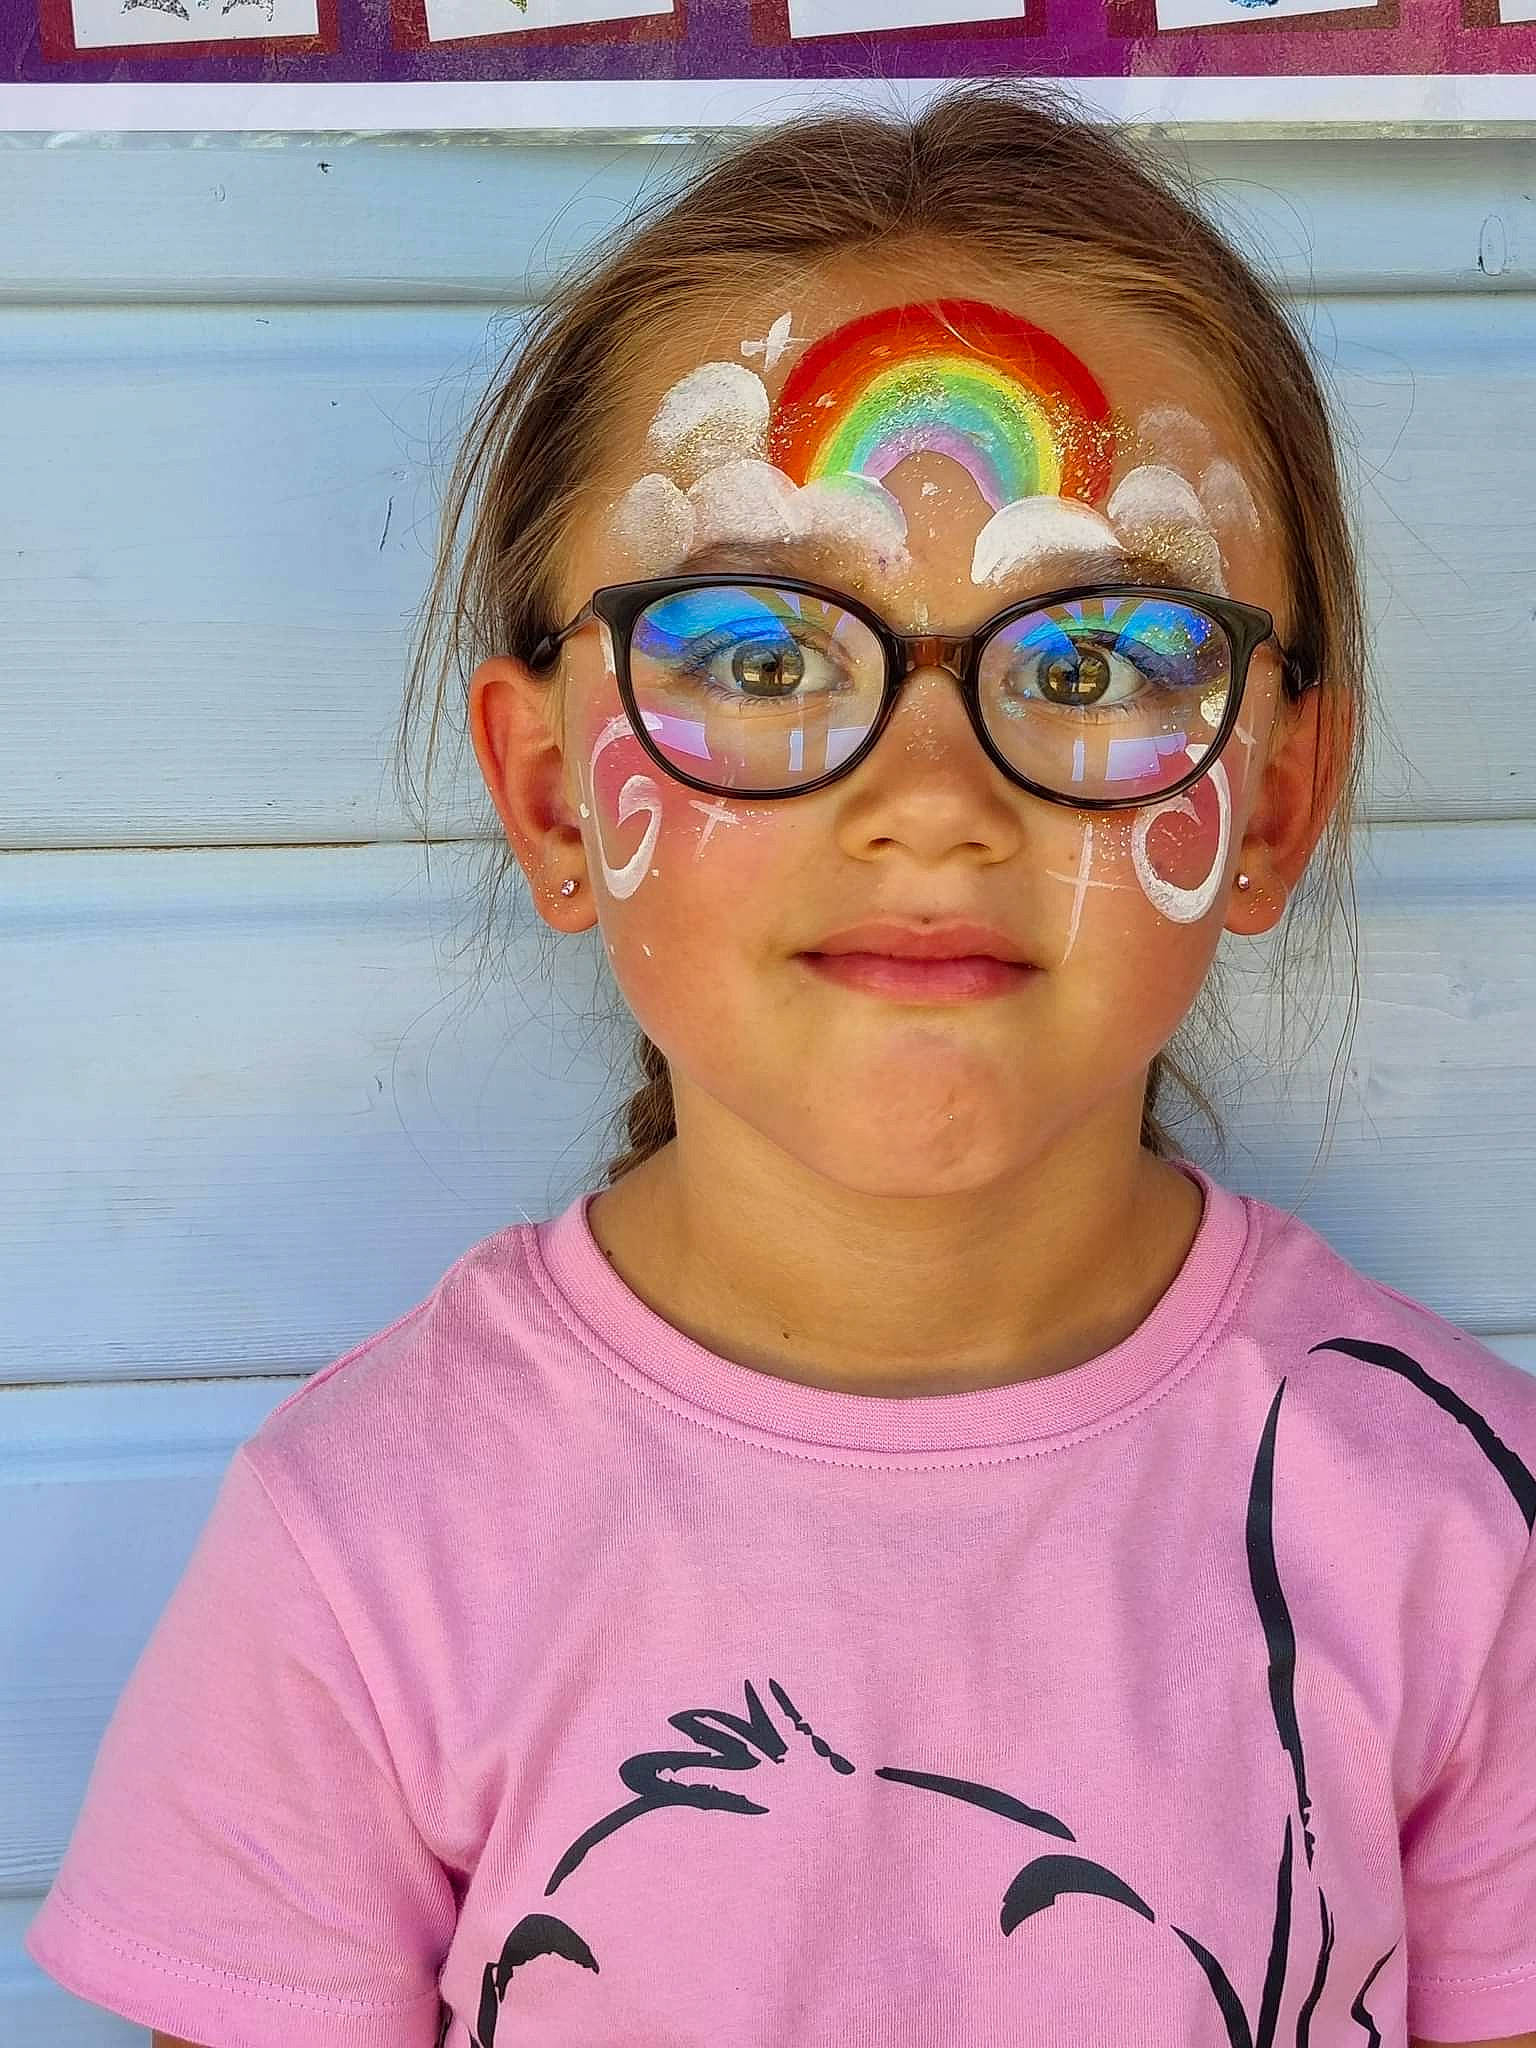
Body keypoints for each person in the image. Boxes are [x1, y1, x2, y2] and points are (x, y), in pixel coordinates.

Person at [24, 79, 1536, 2048]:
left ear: (1273, 804)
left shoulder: (1454, 1516)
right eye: (756, 654)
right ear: (554, 794)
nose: (933, 798)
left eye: (1090, 662)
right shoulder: (369, 1541)